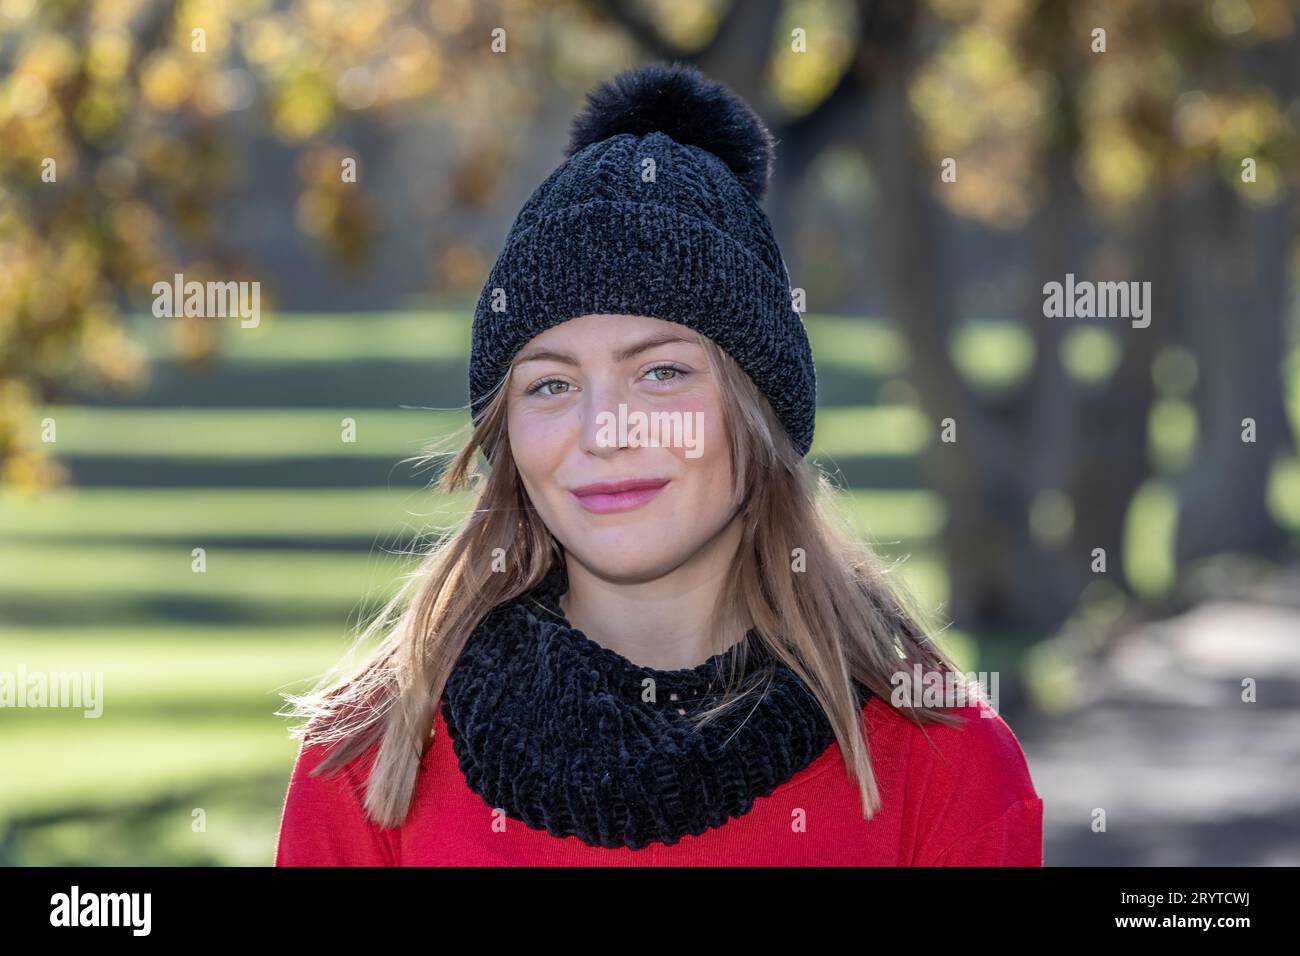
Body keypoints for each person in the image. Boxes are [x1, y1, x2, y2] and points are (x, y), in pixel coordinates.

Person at [274, 61, 1043, 866]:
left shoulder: (940, 762)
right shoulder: (368, 760)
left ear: (759, 412)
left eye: (663, 372)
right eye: (551, 383)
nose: (603, 430)